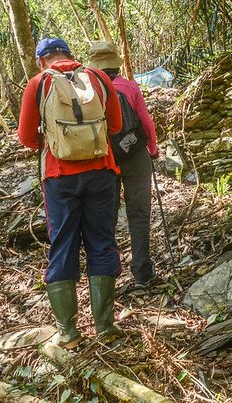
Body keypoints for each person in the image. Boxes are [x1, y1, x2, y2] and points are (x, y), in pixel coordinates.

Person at [18, 37, 125, 348]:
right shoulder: (100, 78)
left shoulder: (38, 84)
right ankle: (105, 327)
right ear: (71, 55)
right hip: (102, 172)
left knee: (63, 244)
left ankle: (68, 333)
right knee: (102, 243)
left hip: (59, 176)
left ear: (41, 61)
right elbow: (115, 126)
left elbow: (26, 137)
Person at [88, 40, 158, 288]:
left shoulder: (88, 91)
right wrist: (153, 149)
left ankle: (108, 274)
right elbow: (146, 122)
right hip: (135, 155)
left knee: (106, 217)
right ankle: (142, 272)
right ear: (115, 64)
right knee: (138, 214)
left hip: (104, 159)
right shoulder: (129, 86)